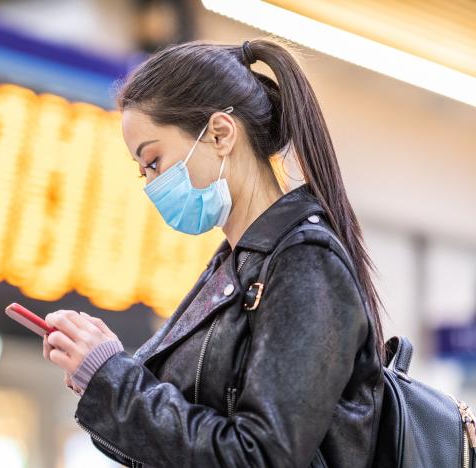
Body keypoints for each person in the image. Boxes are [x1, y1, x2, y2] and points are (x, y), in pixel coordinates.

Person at [40, 37, 385, 467]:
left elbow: (260, 456)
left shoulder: (305, 262)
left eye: (153, 162)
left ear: (220, 133)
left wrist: (113, 379)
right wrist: (100, 378)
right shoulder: (235, 267)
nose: (150, 185)